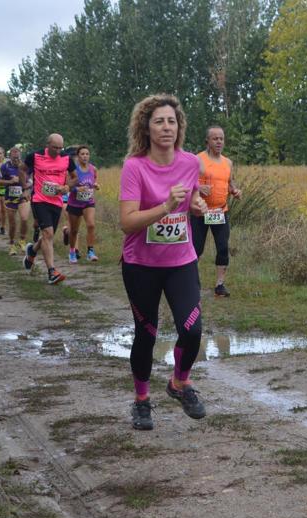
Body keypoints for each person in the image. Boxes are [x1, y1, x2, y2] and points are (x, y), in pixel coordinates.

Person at [118, 94, 208, 430]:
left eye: (172, 121)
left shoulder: (189, 163)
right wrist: (165, 208)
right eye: (159, 121)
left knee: (192, 328)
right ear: (146, 126)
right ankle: (141, 401)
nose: (166, 127)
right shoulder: (135, 167)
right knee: (147, 333)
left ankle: (179, 383)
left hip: (181, 260)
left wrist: (196, 204)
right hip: (141, 264)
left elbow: (193, 192)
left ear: (179, 126)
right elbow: (127, 222)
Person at [192, 125, 241, 297]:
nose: (219, 141)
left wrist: (235, 191)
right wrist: (198, 186)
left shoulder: (228, 162)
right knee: (196, 248)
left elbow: (230, 182)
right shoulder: (197, 159)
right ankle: (191, 282)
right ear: (208, 141)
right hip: (200, 211)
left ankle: (220, 285)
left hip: (220, 212)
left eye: (221, 138)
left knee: (222, 247)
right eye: (215, 138)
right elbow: (186, 181)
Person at [20, 134, 74, 285]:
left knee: (47, 237)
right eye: (55, 148)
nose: (58, 151)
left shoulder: (66, 158)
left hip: (56, 201)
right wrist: (25, 187)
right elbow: (22, 169)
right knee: (48, 233)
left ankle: (32, 251)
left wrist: (67, 187)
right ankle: (52, 272)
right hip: (39, 199)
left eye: (60, 148)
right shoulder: (35, 156)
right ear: (47, 145)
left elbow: (75, 177)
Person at [65, 145, 100, 263]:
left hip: (88, 202)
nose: (85, 156)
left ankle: (90, 252)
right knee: (74, 230)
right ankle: (72, 251)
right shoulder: (73, 170)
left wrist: (96, 185)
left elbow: (94, 181)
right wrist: (76, 190)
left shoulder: (93, 169)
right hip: (74, 203)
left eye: (87, 154)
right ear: (78, 156)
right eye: (82, 154)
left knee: (91, 225)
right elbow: (67, 186)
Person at [0, 147, 30, 256]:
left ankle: (22, 240)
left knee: (24, 219)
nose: (16, 156)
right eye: (13, 154)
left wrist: (27, 187)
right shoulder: (5, 166)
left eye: (17, 154)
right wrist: (10, 181)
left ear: (20, 155)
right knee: (12, 224)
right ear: (10, 155)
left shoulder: (25, 166)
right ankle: (12, 244)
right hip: (10, 198)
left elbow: (32, 180)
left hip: (23, 197)